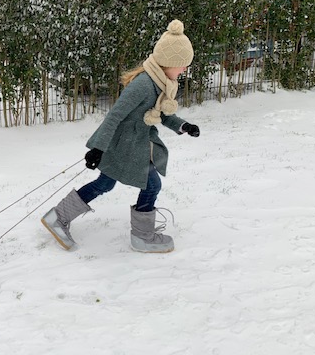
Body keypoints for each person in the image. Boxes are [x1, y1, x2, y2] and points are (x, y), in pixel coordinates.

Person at [41, 19, 200, 253]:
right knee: (151, 184)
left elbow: (161, 116)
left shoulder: (161, 83)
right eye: (182, 64)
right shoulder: (144, 85)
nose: (184, 69)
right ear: (168, 62)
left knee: (104, 183)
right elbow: (114, 116)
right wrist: (98, 148)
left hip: (134, 144)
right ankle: (143, 237)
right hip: (123, 145)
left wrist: (184, 126)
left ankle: (58, 216)